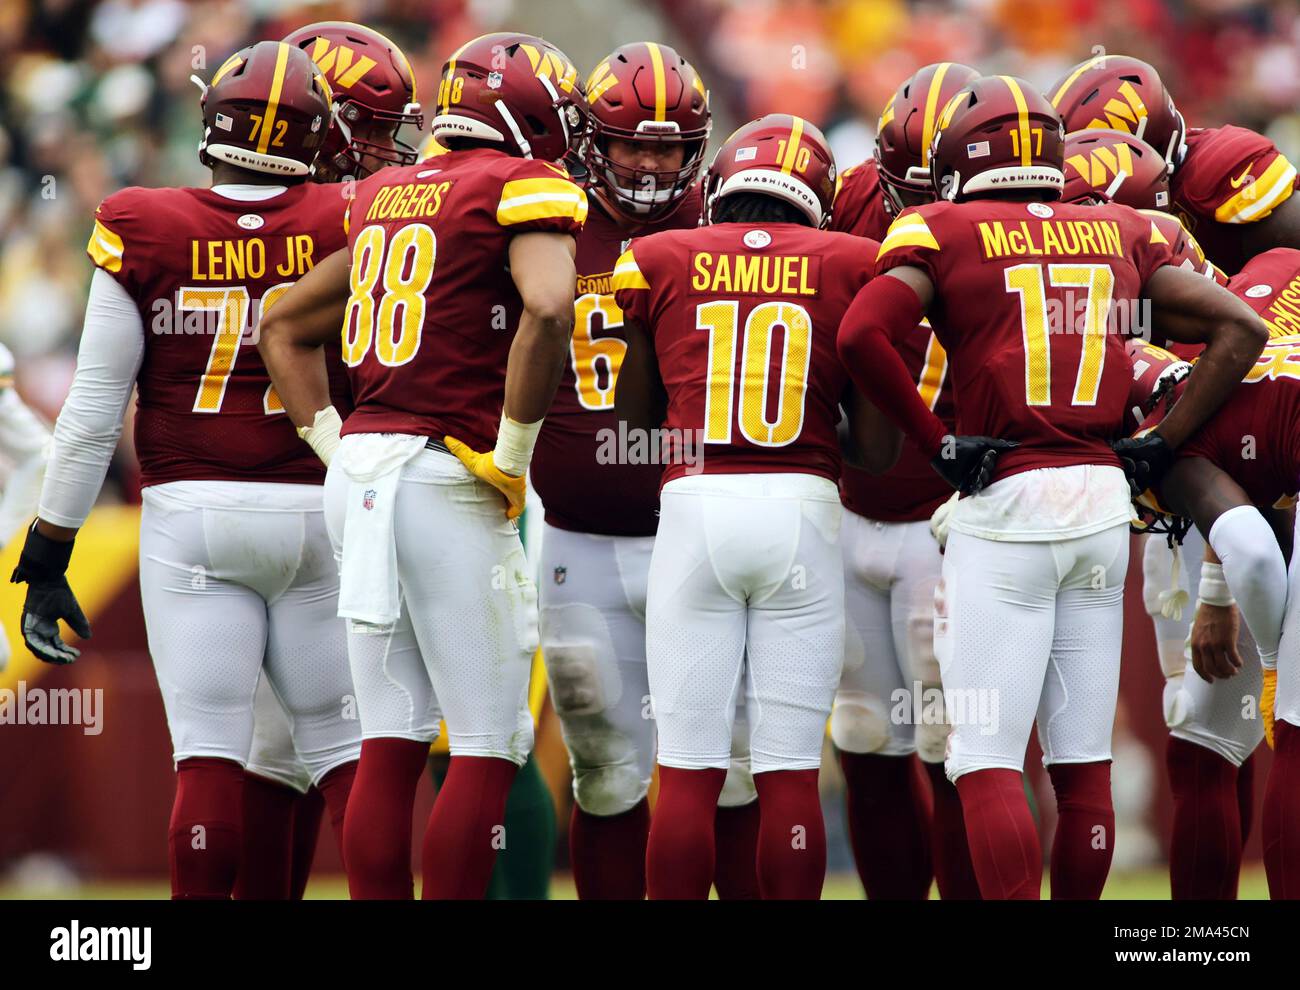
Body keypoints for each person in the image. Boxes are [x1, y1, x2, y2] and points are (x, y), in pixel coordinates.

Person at [836, 75, 1268, 899]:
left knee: (984, 754)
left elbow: (863, 334)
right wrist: (1159, 443)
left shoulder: (941, 224)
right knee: (1082, 765)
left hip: (1008, 502)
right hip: (1104, 506)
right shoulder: (1119, 230)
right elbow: (1239, 327)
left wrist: (939, 447)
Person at [11, 41, 360, 899]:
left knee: (209, 753)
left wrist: (50, 550)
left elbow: (92, 414)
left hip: (191, 515)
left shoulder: (143, 221)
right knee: (348, 757)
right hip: (322, 506)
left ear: (212, 123)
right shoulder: (350, 216)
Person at [258, 32, 588, 899]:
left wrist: (336, 448)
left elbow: (282, 325)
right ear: (529, 109)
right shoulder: (519, 183)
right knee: (488, 741)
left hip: (364, 472)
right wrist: (513, 452)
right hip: (445, 474)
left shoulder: (383, 193)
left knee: (390, 740)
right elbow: (550, 306)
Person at [614, 113, 896, 899]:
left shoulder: (656, 257)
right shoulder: (857, 262)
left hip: (695, 507)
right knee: (790, 772)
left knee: (688, 768)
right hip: (802, 511)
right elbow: (875, 452)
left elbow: (635, 426)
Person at [530, 40, 758, 900]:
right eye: (632, 143)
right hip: (578, 535)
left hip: (697, 533)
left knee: (727, 766)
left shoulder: (728, 217)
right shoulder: (542, 213)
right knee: (604, 766)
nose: (650, 163)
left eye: (668, 146)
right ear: (594, 141)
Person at [828, 61, 982, 901]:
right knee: (864, 737)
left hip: (953, 516)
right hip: (853, 503)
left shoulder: (1012, 218)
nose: (921, 206)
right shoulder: (849, 197)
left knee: (958, 745)